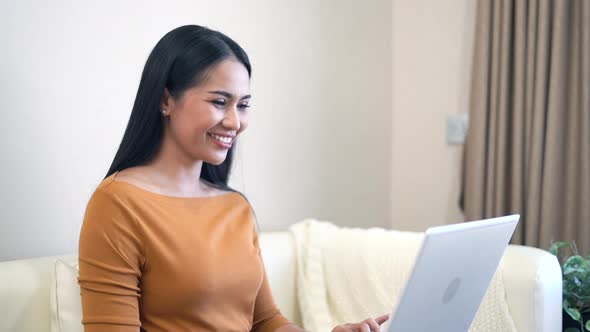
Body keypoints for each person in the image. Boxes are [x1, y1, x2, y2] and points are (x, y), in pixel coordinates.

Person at [78, 25, 390, 332]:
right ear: (165, 100)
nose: (234, 122)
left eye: (243, 105)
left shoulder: (234, 207)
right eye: (219, 102)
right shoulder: (117, 204)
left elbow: (266, 322)